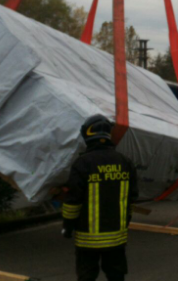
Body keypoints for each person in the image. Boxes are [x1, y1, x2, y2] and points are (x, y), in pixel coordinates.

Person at [62, 114, 139, 281]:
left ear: (87, 135)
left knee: (87, 276)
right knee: (116, 276)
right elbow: (132, 198)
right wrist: (125, 222)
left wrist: (67, 226)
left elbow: (73, 202)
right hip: (117, 237)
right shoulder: (125, 162)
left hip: (87, 240)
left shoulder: (82, 163)